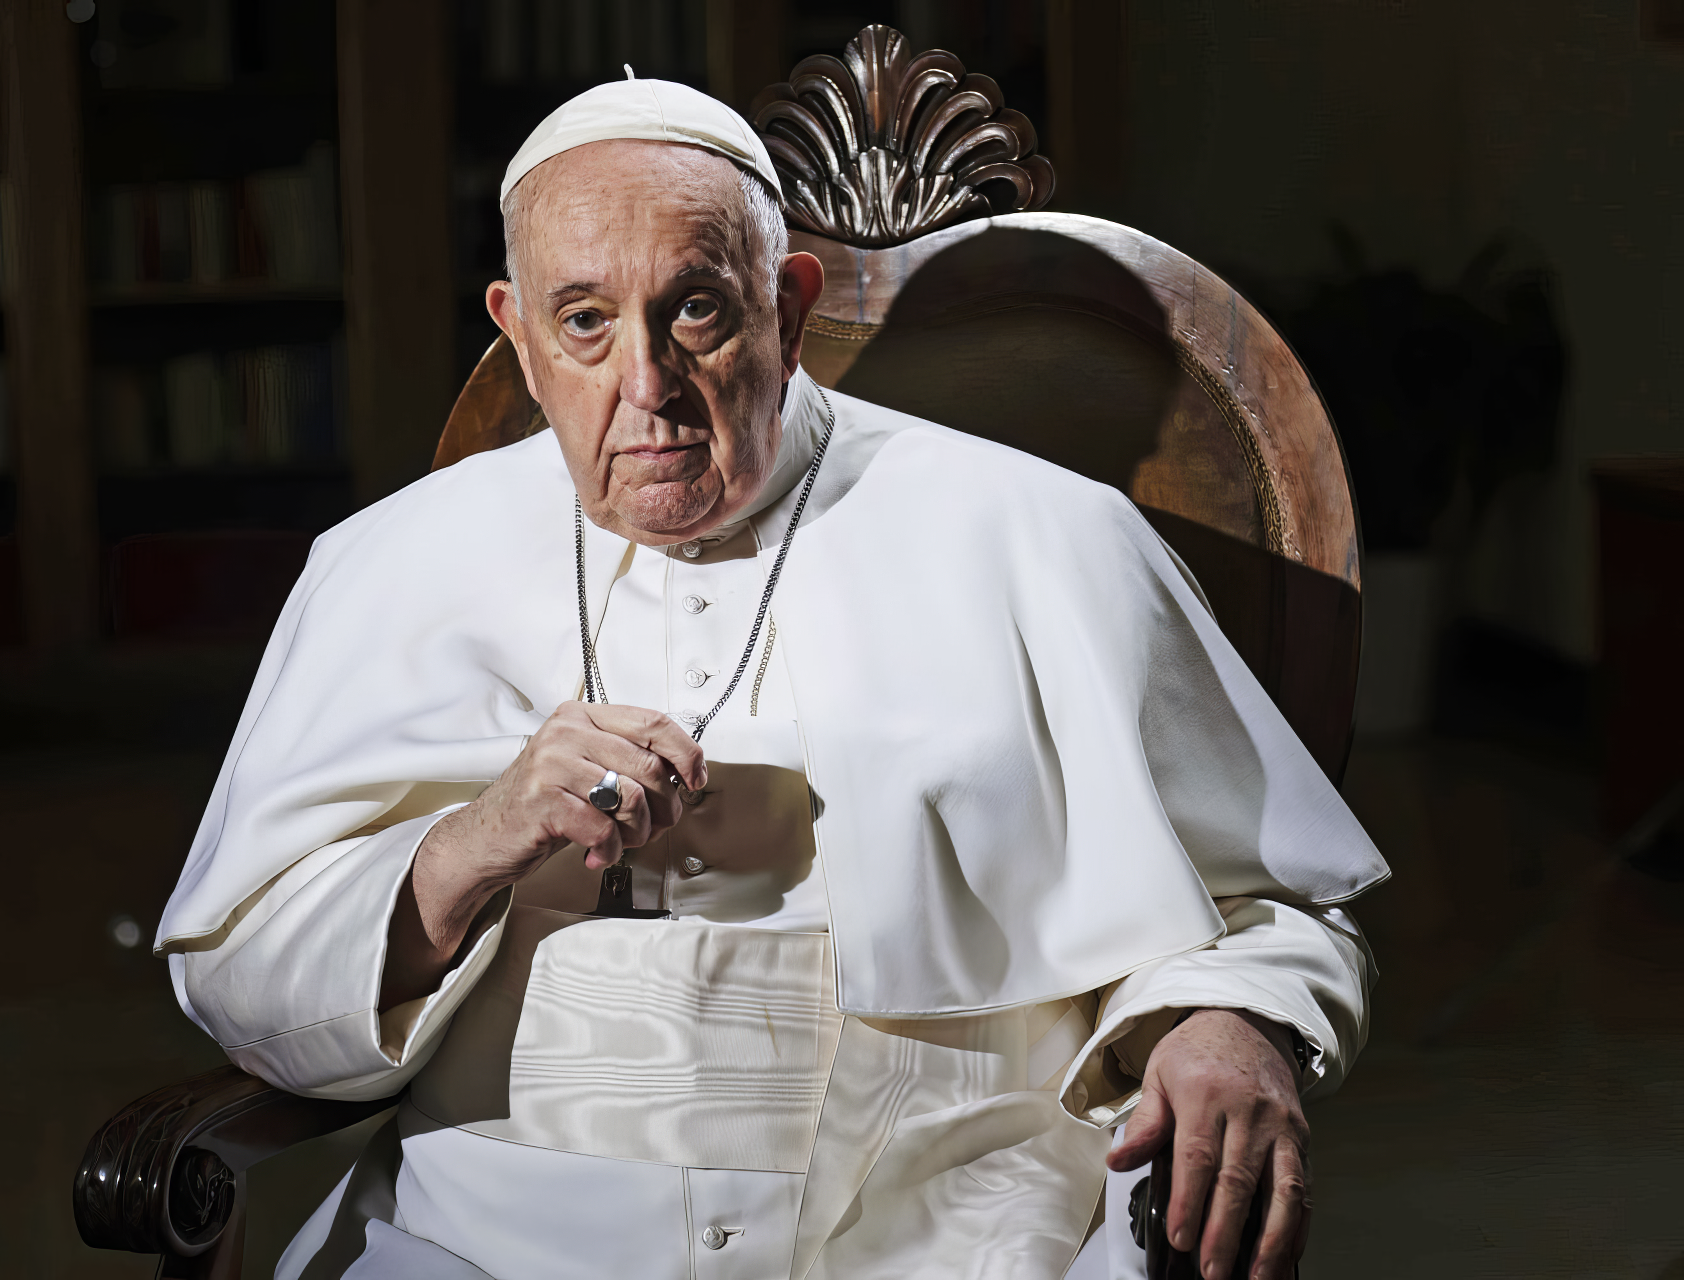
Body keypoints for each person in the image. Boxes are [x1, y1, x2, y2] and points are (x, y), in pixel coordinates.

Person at [155, 76, 1388, 1280]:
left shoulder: (1049, 534)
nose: (647, 388)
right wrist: (475, 840)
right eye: (584, 321)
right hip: (497, 1229)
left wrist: (1235, 1019)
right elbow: (243, 972)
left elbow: (1271, 903)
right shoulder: (389, 562)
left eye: (696, 310)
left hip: (952, 1223)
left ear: (789, 306)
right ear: (518, 336)